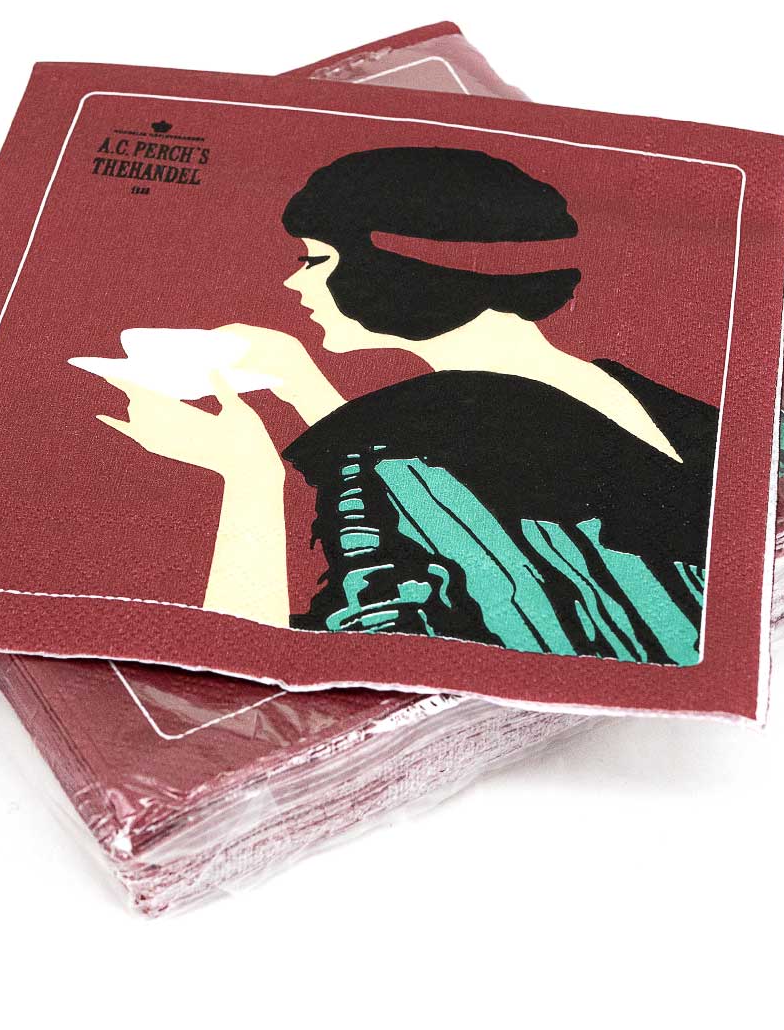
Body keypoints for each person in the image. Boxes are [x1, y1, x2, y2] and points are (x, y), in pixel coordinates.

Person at [97, 147, 716, 663]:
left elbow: (258, 669)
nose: (294, 282)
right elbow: (473, 465)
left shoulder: (387, 452)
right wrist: (301, 381)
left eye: (316, 260)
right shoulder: (664, 406)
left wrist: (248, 474)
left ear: (395, 268)